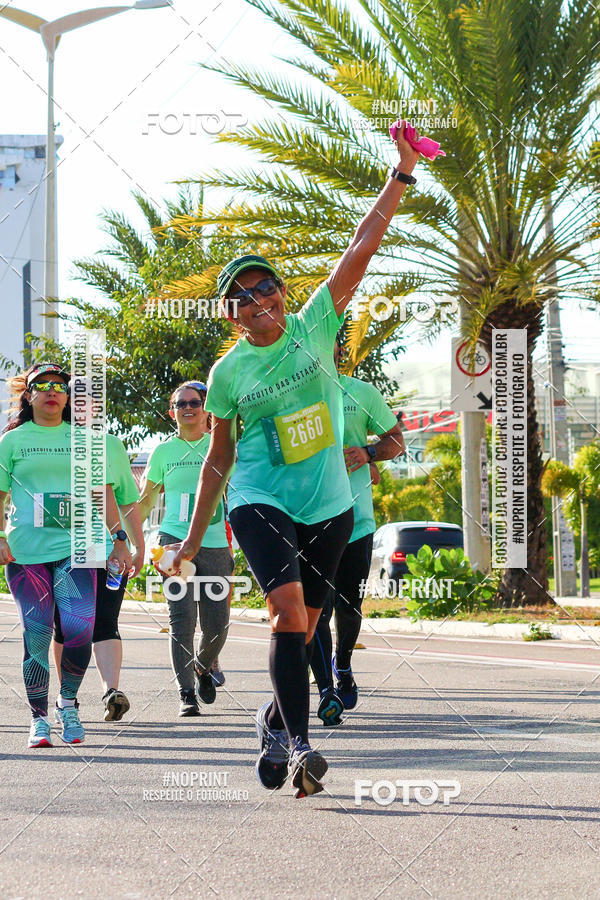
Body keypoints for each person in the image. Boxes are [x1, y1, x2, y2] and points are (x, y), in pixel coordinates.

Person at [166, 125, 420, 797]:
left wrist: (400, 173)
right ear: (231, 315)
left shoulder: (314, 324)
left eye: (265, 287)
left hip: (330, 503)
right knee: (285, 614)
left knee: (303, 625)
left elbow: (361, 247)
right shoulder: (229, 373)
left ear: (281, 291)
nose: (258, 300)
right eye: (242, 297)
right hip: (260, 499)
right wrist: (192, 539)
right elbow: (218, 456)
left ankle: (275, 722)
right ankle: (303, 744)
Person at [0, 363, 131, 747]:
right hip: (28, 552)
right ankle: (39, 718)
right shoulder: (12, 441)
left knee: (79, 629)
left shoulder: (86, 441)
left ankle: (67, 704)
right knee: (38, 631)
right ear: (29, 395)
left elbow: (104, 493)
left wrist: (119, 539)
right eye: (43, 385)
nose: (52, 391)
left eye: (60, 385)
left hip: (80, 547)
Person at [311, 341, 405, 724]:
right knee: (317, 609)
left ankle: (343, 663)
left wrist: (368, 454)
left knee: (348, 607)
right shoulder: (286, 394)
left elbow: (395, 441)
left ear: (337, 350)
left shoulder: (361, 392)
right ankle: (325, 690)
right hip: (306, 521)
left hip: (355, 522)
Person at [139, 382, 232, 717]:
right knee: (181, 621)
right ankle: (186, 694)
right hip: (172, 543)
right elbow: (147, 499)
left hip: (215, 544)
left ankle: (204, 667)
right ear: (172, 411)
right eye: (181, 403)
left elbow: (239, 493)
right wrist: (129, 538)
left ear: (207, 408)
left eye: (195, 402)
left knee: (217, 625)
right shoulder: (163, 452)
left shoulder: (221, 446)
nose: (188, 408)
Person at [52, 407, 145, 723]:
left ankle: (111, 693)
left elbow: (126, 499)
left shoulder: (111, 444)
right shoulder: (48, 445)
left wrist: (137, 545)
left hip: (108, 551)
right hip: (60, 549)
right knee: (67, 626)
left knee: (106, 621)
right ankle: (68, 698)